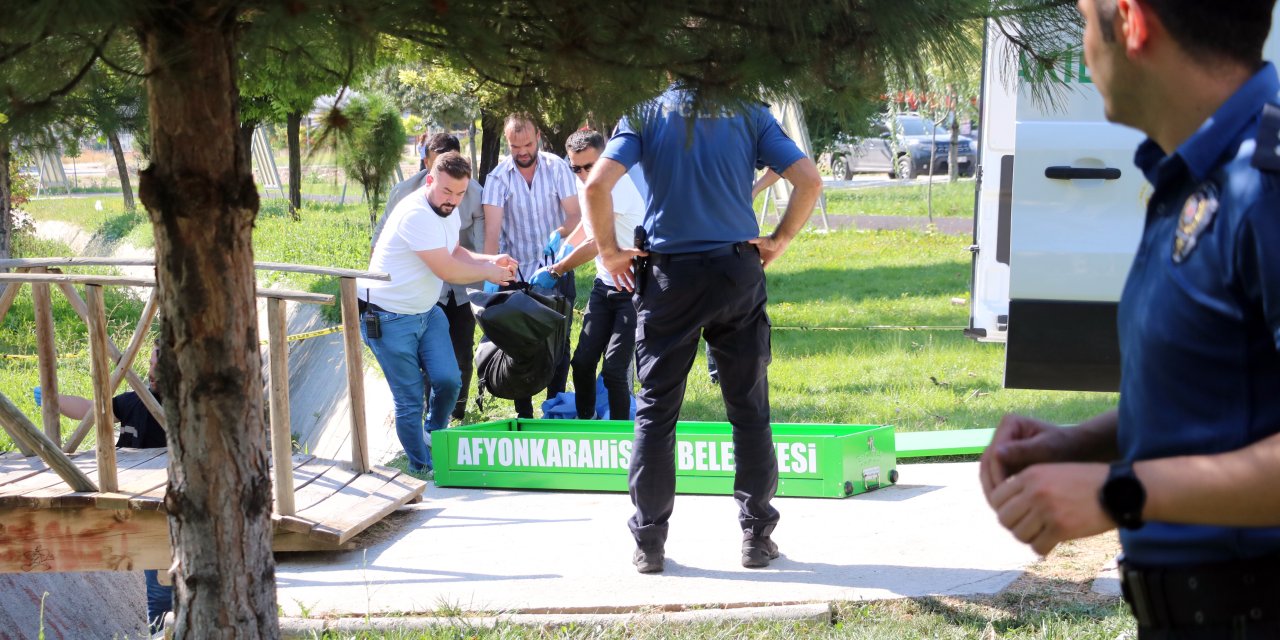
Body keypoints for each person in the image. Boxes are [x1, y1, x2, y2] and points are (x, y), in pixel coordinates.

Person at [980, 0, 1280, 636]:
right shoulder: (1199, 176)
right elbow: (1231, 391)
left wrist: (1117, 492)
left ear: (1132, 22)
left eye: (1088, 21)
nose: (1086, 48)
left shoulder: (1265, 184)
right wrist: (1081, 443)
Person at [584, 88, 822, 573]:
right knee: (749, 409)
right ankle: (756, 537)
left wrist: (609, 252)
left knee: (656, 411)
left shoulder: (645, 113)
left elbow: (594, 186)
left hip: (669, 279)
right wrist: (779, 240)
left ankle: (649, 543)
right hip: (736, 271)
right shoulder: (750, 113)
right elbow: (809, 180)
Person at [357, 152, 516, 473]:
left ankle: (434, 435)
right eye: (447, 192)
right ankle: (423, 465)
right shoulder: (415, 214)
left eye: (460, 194)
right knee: (410, 399)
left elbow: (454, 250)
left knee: (448, 380)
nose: (453, 201)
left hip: (426, 312)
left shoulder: (447, 209)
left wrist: (489, 260)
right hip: (388, 317)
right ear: (430, 180)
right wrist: (490, 275)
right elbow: (446, 268)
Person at [35, 346, 171, 633]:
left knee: (162, 586)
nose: (151, 372)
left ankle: (164, 629)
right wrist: (55, 401)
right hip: (130, 501)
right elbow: (93, 411)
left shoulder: (191, 409)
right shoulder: (135, 402)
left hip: (166, 505)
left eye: (159, 365)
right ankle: (160, 630)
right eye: (150, 362)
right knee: (156, 586)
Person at [531, 129, 645, 421]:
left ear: (605, 159)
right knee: (581, 363)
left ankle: (620, 439)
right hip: (604, 285)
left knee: (614, 371)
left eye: (588, 167)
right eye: (575, 168)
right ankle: (588, 425)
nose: (582, 174)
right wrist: (565, 243)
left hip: (633, 290)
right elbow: (588, 222)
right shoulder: (588, 184)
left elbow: (597, 243)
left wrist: (558, 269)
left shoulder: (615, 186)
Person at [374, 133, 486, 422]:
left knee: (460, 353)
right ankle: (426, 418)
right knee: (422, 362)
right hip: (421, 291)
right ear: (427, 165)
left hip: (462, 286)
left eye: (455, 163)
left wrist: (487, 269)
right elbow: (381, 240)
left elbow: (476, 243)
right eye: (440, 165)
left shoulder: (474, 192)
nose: (452, 196)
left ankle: (453, 416)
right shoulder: (405, 194)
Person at [482, 114, 582, 418]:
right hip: (517, 275)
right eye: (515, 146)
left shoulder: (557, 168)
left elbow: (575, 217)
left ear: (538, 136)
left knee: (559, 343)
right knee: (520, 346)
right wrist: (489, 272)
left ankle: (553, 407)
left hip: (556, 269)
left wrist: (561, 236)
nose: (522, 151)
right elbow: (492, 233)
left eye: (527, 144)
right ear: (507, 142)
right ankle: (524, 412)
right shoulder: (498, 178)